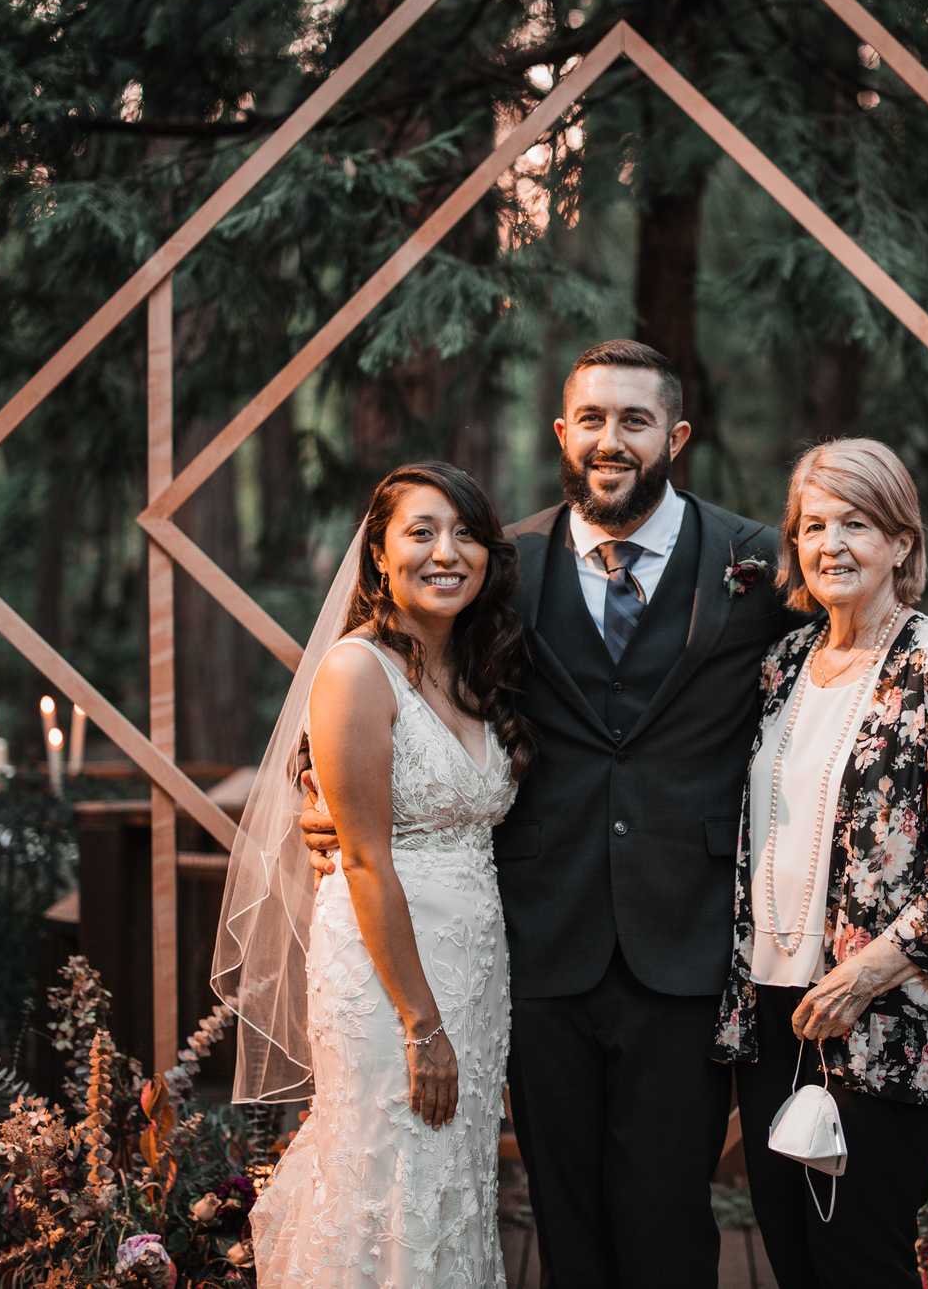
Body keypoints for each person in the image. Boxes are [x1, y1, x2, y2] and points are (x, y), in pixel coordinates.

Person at [302, 340, 808, 1287]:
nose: (610, 439)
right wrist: (322, 798)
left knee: (667, 1216)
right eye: (592, 419)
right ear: (562, 432)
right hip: (537, 941)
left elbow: (841, 672)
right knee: (563, 1215)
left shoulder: (754, 562)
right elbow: (402, 678)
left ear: (676, 436)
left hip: (684, 941)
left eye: (634, 420)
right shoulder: (505, 564)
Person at [213, 461, 531, 1285]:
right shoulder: (357, 670)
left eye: (464, 533)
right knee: (386, 1173)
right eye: (420, 532)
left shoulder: (472, 670)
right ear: (379, 555)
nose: (446, 551)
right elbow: (361, 855)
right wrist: (421, 1023)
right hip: (392, 979)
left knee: (450, 1181)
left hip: (474, 970)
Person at [713, 437, 928, 1289]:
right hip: (771, 1009)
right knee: (790, 1249)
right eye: (813, 525)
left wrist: (861, 977)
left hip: (879, 1022)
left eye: (856, 522)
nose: (831, 544)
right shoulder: (785, 664)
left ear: (901, 543)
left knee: (860, 1258)